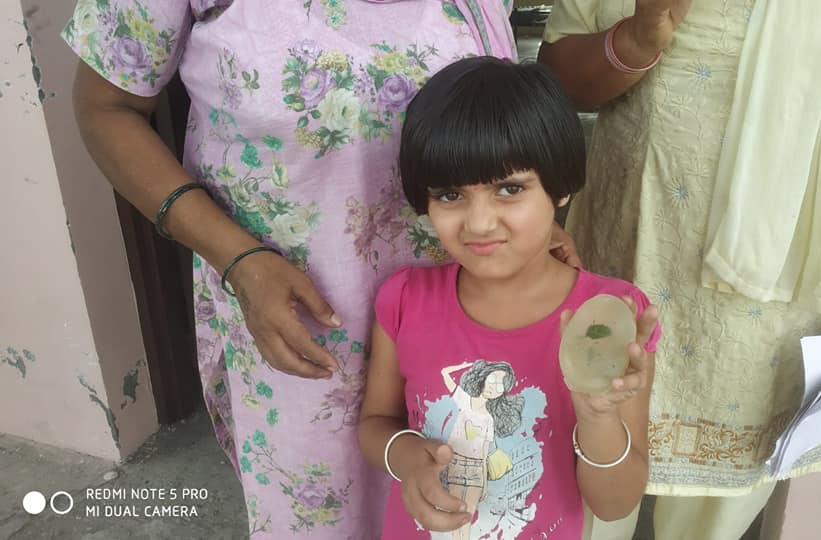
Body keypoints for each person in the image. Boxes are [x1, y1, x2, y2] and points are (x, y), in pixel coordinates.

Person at [60, 1, 583, 537]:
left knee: (464, 499)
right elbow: (107, 109)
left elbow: (495, 113)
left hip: (460, 320)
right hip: (301, 329)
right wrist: (238, 258)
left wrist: (528, 226)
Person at [538, 1, 821, 539]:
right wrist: (635, 42)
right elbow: (557, 78)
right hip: (622, 254)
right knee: (576, 481)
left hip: (769, 296)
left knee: (714, 517)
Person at [357, 57, 662, 539]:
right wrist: (412, 460)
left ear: (560, 189)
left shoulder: (609, 317)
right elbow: (375, 424)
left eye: (508, 188)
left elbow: (616, 501)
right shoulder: (404, 299)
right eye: (450, 196)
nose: (478, 223)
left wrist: (597, 417)